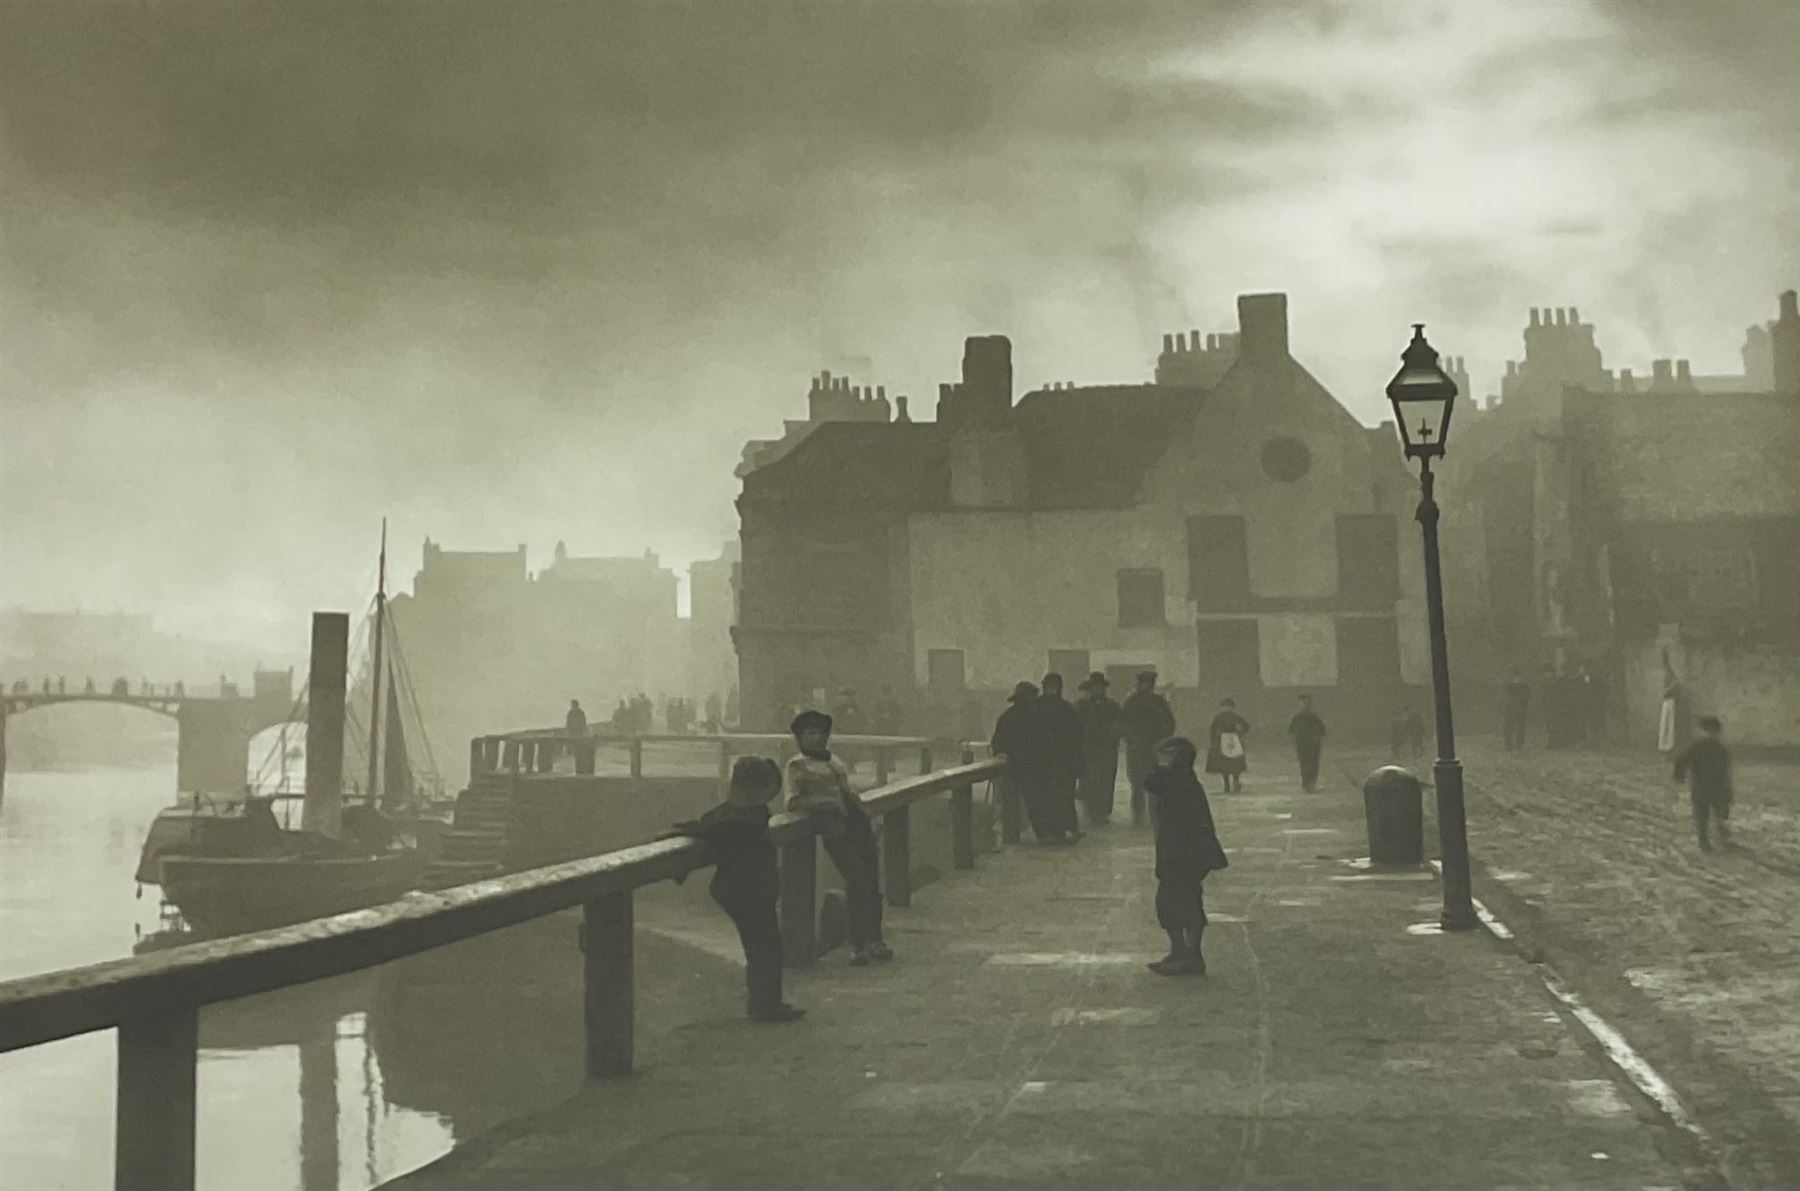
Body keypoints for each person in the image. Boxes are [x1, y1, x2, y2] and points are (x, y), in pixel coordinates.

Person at [664, 757, 805, 1022]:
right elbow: (720, 830)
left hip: (739, 889)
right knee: (766, 947)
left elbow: (708, 827)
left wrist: (680, 833)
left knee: (761, 947)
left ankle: (763, 1003)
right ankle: (765, 1005)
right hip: (749, 890)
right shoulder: (748, 818)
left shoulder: (726, 815)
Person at [785, 710, 893, 965]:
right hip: (835, 827)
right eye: (810, 733)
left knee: (871, 880)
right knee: (856, 880)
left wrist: (867, 815)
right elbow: (793, 801)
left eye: (821, 733)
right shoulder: (797, 765)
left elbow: (850, 793)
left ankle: (874, 940)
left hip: (857, 824)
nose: (817, 738)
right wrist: (829, 804)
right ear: (800, 738)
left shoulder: (835, 761)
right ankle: (858, 944)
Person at [1145, 736, 1228, 976]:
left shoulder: (1177, 780)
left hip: (1182, 854)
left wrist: (1161, 763)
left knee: (1183, 904)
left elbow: (1151, 781)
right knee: (1172, 904)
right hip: (1182, 852)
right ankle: (1180, 952)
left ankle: (1190, 955)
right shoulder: (1185, 780)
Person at [991, 682, 1070, 845]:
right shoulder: (1035, 717)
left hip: (1025, 768)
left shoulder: (1011, 717)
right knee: (1038, 801)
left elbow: (998, 744)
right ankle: (1047, 834)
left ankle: (1024, 836)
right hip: (1030, 768)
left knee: (1035, 802)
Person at [1118, 672, 1177, 826]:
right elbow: (1123, 724)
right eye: (1143, 683)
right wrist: (1131, 739)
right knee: (1138, 785)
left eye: (1148, 683)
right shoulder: (1134, 702)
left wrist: (1162, 740)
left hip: (1151, 748)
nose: (1145, 686)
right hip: (1139, 748)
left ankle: (1152, 816)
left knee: (1151, 785)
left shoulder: (1156, 702)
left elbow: (1170, 724)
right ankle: (1140, 818)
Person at [1033, 673, 1084, 839]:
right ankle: (1059, 830)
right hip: (1052, 762)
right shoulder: (1066, 709)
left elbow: (1076, 737)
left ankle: (1056, 830)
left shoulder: (1039, 708)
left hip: (1055, 762)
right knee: (1057, 796)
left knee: (1058, 795)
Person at [1673, 716, 1733, 852]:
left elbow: (1725, 770)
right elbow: (1682, 761)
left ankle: (1718, 832)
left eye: (1714, 732)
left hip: (1713, 786)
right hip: (1703, 786)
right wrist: (1679, 774)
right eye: (1709, 731)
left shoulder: (1719, 749)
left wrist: (1728, 787)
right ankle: (1705, 840)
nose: (1711, 734)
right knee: (1703, 814)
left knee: (1718, 811)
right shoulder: (1699, 747)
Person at [1075, 672, 1122, 826]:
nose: (1097, 691)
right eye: (1094, 688)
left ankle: (1103, 813)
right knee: (1089, 781)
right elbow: (1075, 728)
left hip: (1107, 751)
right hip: (1087, 750)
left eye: (1100, 688)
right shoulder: (1081, 707)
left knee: (1106, 782)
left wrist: (1112, 733)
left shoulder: (1112, 706)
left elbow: (1119, 726)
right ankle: (1091, 811)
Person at [1205, 698, 1251, 793]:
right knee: (1224, 764)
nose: (1227, 709)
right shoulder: (1218, 717)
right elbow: (1213, 730)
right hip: (1222, 741)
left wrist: (1240, 733)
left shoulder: (1235, 716)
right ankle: (1227, 785)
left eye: (1229, 707)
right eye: (1225, 707)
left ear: (1232, 708)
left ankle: (1236, 782)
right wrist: (1214, 741)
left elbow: (1246, 725)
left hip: (1233, 741)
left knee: (1235, 762)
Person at [1287, 695, 1327, 793]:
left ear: (1310, 705)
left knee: (1313, 764)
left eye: (1306, 703)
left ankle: (1312, 784)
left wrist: (1318, 737)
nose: (1304, 705)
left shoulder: (1314, 717)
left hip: (1313, 745)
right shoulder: (1297, 717)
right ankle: (1306, 784)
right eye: (1302, 703)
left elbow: (1322, 729)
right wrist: (1293, 742)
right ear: (1299, 705)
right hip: (1301, 745)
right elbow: (1291, 731)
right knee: (1303, 764)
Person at [1502, 670, 1531, 751]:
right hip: (1516, 709)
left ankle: (1514, 745)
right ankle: (1512, 745)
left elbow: (1527, 697)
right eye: (1518, 677)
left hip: (1516, 709)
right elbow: (1527, 697)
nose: (1519, 678)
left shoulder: (1511, 686)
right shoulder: (1523, 687)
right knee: (1512, 726)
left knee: (1514, 727)